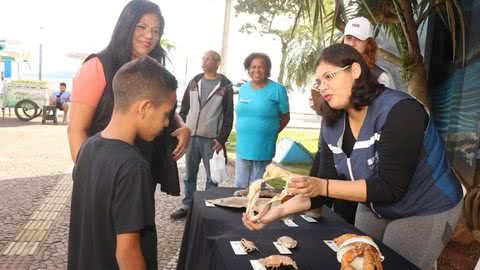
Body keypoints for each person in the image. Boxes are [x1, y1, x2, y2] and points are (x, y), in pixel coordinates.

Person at [242, 44, 463, 270]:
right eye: (319, 81)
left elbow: (390, 187)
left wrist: (321, 186)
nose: (323, 86)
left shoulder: (401, 111)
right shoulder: (332, 122)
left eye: (329, 76)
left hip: (424, 206)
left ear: (355, 70)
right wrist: (279, 210)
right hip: (374, 205)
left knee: (395, 265)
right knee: (357, 264)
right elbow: (321, 186)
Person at [68, 0, 190, 195]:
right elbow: (76, 128)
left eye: (156, 30)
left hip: (141, 169)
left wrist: (181, 125)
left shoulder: (154, 68)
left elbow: (164, 107)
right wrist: (90, 175)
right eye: (141, 27)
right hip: (105, 173)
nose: (149, 35)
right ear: (126, 25)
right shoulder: (97, 65)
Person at [68, 56, 177, 270]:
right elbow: (127, 252)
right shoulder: (133, 166)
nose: (166, 123)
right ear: (144, 107)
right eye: (166, 114)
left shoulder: (88, 148)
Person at [309, 16, 397, 223]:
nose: (352, 43)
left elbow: (386, 118)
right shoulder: (330, 70)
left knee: (352, 210)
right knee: (331, 188)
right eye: (348, 38)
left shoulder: (382, 78)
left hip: (367, 155)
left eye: (358, 39)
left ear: (370, 45)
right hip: (339, 140)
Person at [170, 50, 234, 220]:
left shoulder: (225, 86)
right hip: (191, 137)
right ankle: (187, 205)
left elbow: (228, 115)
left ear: (217, 62)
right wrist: (181, 129)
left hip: (211, 139)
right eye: (203, 58)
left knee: (212, 176)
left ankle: (208, 207)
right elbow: (184, 109)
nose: (204, 61)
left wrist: (221, 139)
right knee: (189, 174)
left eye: (209, 59)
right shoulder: (194, 81)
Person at [234, 53, 290, 188]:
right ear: (248, 69)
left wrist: (271, 131)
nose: (257, 70)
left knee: (257, 186)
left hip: (263, 145)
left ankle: (254, 209)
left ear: (268, 69)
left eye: (261, 67)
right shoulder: (244, 88)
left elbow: (285, 117)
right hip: (243, 144)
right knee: (239, 185)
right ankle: (239, 209)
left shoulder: (277, 90)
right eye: (253, 67)